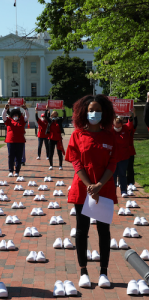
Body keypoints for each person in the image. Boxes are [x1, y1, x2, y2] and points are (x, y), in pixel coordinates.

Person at [66, 94, 117, 288]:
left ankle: (104, 272)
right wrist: (89, 186)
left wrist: (99, 186)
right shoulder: (77, 134)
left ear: (104, 112)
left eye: (97, 110)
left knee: (104, 231)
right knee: (82, 230)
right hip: (82, 188)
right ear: (83, 113)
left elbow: (113, 162)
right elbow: (76, 162)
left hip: (103, 189)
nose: (94, 113)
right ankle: (83, 271)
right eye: (90, 110)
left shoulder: (110, 135)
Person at [2, 102, 29, 177]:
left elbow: (27, 116)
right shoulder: (9, 120)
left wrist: (25, 109)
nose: (15, 116)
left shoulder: (22, 120)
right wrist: (5, 108)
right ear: (12, 115)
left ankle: (17, 171)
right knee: (11, 156)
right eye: (14, 115)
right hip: (10, 141)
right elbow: (3, 116)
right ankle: (10, 171)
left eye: (16, 115)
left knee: (19, 156)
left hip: (20, 141)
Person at [112, 115, 133, 198]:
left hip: (123, 157)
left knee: (122, 174)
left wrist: (131, 116)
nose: (116, 127)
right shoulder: (110, 130)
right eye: (115, 125)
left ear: (121, 124)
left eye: (118, 125)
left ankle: (123, 190)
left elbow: (131, 125)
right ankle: (112, 192)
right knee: (112, 175)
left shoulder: (126, 129)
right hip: (113, 157)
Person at [44, 106, 66, 170]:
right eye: (53, 114)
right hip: (51, 138)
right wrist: (46, 109)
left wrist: (63, 110)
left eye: (55, 114)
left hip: (58, 139)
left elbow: (64, 117)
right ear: (51, 115)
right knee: (51, 153)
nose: (54, 116)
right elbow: (46, 116)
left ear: (57, 115)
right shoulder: (50, 120)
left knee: (59, 152)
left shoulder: (59, 120)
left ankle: (60, 165)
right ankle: (51, 165)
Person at [126, 108, 138, 187]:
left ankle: (130, 182)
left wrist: (134, 113)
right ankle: (121, 182)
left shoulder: (131, 129)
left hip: (129, 151)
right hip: (119, 151)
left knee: (130, 168)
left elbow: (135, 123)